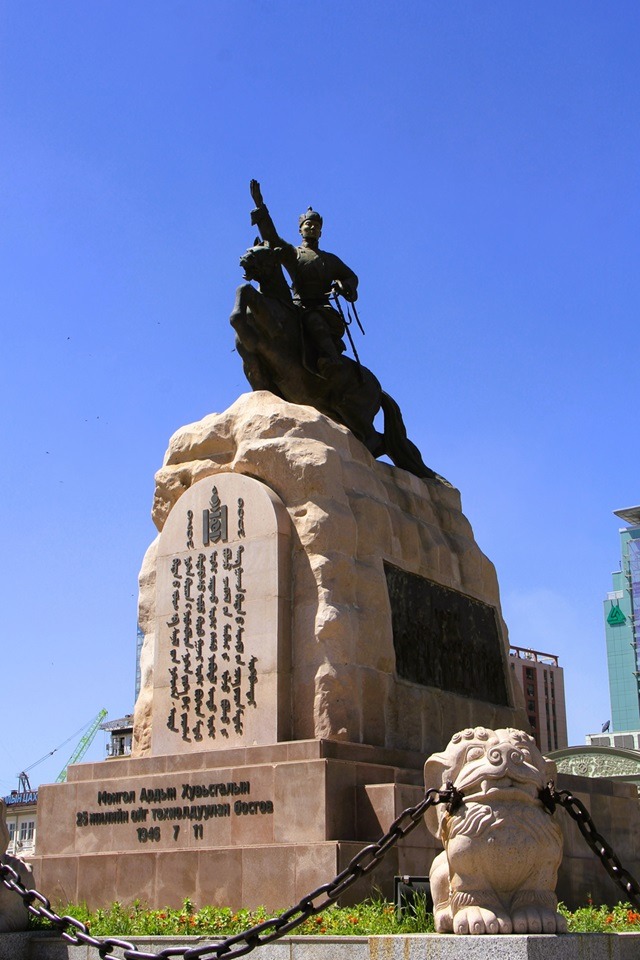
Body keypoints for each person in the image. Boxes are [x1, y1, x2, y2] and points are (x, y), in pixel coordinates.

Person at [249, 179, 359, 375]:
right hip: (296, 306)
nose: (312, 228)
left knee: (314, 321)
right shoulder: (294, 253)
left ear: (321, 232)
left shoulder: (330, 259)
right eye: (308, 224)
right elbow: (272, 238)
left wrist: (344, 284)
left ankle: (332, 360)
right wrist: (260, 206)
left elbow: (351, 277)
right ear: (300, 229)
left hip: (320, 308)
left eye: (316, 226)